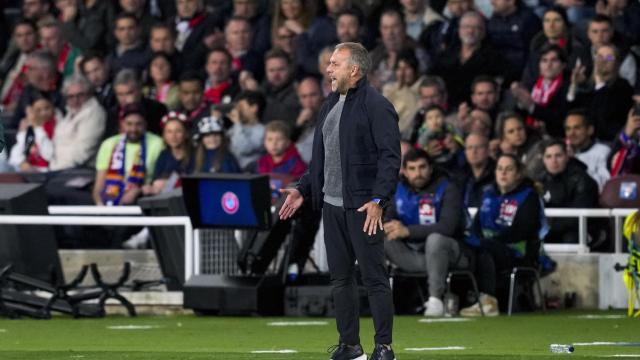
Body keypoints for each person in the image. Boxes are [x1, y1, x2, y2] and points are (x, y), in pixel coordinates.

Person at [279, 42, 400, 360]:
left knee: (374, 277)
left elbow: (390, 158)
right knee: (341, 279)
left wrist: (379, 200)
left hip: (363, 207)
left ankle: (384, 348)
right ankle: (350, 345)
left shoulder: (377, 106)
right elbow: (321, 160)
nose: (328, 69)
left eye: (335, 64)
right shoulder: (330, 103)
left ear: (355, 70)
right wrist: (303, 189)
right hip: (331, 206)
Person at [384, 148, 470, 317]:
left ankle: (435, 299)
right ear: (405, 171)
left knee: (435, 240)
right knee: (381, 239)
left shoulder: (448, 188)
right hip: (414, 254)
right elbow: (388, 219)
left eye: (422, 167)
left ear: (431, 168)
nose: (418, 173)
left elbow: (447, 227)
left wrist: (408, 231)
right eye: (412, 168)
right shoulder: (397, 190)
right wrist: (389, 226)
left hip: (451, 251)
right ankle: (374, 301)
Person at [460, 153, 544, 316]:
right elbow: (476, 225)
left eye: (509, 169)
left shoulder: (529, 196)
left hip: (519, 253)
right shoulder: (488, 194)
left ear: (518, 174)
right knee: (471, 247)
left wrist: (489, 241)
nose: (503, 173)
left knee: (484, 248)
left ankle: (488, 300)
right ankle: (467, 298)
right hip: (490, 249)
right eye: (499, 169)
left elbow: (522, 230)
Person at [539, 139, 599, 244]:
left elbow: (577, 217)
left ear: (567, 156)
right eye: (548, 157)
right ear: (543, 160)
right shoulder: (540, 180)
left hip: (582, 230)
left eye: (558, 155)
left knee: (571, 238)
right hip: (551, 229)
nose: (554, 161)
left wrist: (548, 228)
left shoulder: (582, 180)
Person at [50, 74, 106, 171]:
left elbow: (82, 153)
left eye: (80, 95)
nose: (75, 100)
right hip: (58, 169)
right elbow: (55, 146)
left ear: (89, 93)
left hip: (81, 172)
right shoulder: (69, 114)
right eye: (71, 96)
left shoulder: (94, 112)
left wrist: (55, 168)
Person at [142, 111, 192, 196]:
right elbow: (156, 181)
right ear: (164, 135)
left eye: (178, 131)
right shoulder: (164, 155)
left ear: (186, 133)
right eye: (169, 131)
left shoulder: (195, 155)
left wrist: (170, 183)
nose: (173, 136)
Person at [9, 95, 59, 172]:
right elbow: (15, 154)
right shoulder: (29, 128)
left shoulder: (58, 126)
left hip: (45, 171)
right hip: (24, 168)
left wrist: (37, 128)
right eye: (38, 110)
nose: (44, 113)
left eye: (47, 108)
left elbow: (49, 155)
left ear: (52, 109)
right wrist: (21, 163)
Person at [564, 109, 610, 190]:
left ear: (590, 130)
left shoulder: (603, 151)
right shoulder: (562, 151)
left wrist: (575, 162)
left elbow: (604, 185)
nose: (571, 133)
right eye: (568, 129)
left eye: (577, 128)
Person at [227, 90, 266, 171]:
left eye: (241, 107)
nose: (238, 110)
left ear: (254, 108)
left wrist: (237, 123)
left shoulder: (263, 130)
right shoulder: (234, 128)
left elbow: (244, 149)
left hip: (251, 175)